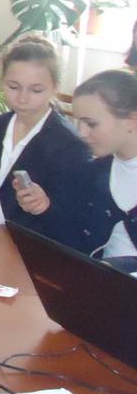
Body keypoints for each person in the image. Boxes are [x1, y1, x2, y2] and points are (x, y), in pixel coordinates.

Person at [0, 36, 93, 247]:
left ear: (54, 87)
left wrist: (45, 205)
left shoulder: (69, 146)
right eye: (13, 86)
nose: (22, 98)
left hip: (29, 247)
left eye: (36, 90)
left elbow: (76, 227)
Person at [68, 70, 137, 268]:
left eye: (91, 124)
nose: (81, 133)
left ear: (132, 121)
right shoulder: (93, 172)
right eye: (79, 122)